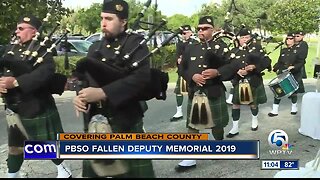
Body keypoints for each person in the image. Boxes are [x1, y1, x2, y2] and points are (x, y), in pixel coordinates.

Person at [72, 0, 155, 178]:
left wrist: (103, 93)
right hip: (95, 122)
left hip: (125, 119)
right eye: (102, 18)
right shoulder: (95, 47)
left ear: (123, 22)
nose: (103, 23)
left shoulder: (136, 44)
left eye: (109, 19)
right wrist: (79, 96)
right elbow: (84, 79)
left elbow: (141, 79)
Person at [0, 15, 72, 178]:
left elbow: (45, 73)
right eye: (17, 28)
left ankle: (64, 170)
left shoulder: (42, 50)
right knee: (16, 145)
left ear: (33, 32)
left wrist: (16, 82)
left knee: (47, 143)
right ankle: (13, 173)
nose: (16, 31)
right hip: (14, 106)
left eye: (21, 28)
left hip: (36, 105)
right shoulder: (12, 48)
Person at [175, 15, 229, 172]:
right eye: (199, 28)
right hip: (196, 91)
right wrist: (192, 76)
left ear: (212, 30)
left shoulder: (221, 47)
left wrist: (217, 72)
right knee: (193, 125)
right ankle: (190, 157)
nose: (201, 31)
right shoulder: (191, 48)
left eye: (205, 28)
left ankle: (218, 145)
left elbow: (232, 66)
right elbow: (181, 69)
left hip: (213, 91)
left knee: (217, 125)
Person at [219, 28, 271, 138]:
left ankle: (254, 120)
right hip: (239, 81)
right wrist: (236, 70)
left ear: (250, 38)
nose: (245, 40)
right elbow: (227, 65)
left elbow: (267, 61)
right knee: (235, 104)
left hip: (253, 80)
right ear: (238, 39)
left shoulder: (256, 50)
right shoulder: (234, 52)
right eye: (242, 38)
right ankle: (235, 127)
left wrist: (255, 66)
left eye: (247, 37)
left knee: (253, 103)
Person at [268, 32, 305, 117]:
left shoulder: (298, 50)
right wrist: (274, 68)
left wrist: (294, 67)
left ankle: (294, 107)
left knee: (293, 91)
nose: (289, 40)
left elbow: (301, 61)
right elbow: (280, 61)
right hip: (282, 72)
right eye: (287, 38)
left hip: (293, 73)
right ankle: (275, 110)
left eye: (291, 38)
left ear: (294, 40)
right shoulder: (283, 50)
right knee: (277, 90)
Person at [170, 24, 197, 122]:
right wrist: (178, 59)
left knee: (193, 92)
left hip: (192, 71)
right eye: (183, 33)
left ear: (190, 32)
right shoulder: (180, 43)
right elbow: (177, 56)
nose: (184, 35)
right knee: (179, 93)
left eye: (186, 33)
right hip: (182, 71)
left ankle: (195, 111)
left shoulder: (195, 43)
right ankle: (179, 112)